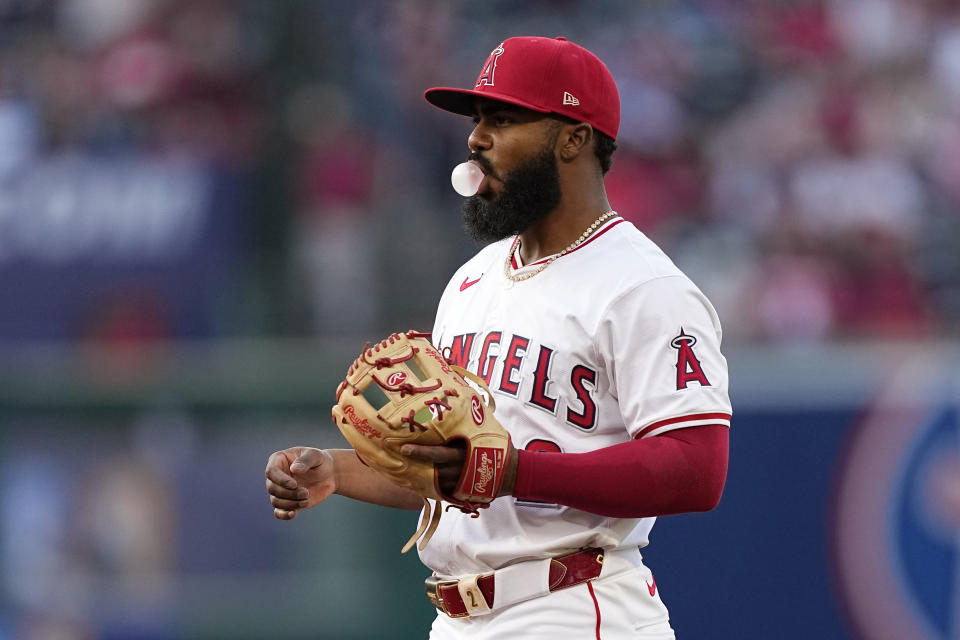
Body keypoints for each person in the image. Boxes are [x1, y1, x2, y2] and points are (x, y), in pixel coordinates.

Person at [265, 36, 731, 639]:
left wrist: (514, 473)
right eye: (478, 119)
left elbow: (696, 469)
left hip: (573, 605)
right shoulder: (473, 280)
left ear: (573, 138)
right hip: (459, 618)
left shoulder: (642, 286)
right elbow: (460, 475)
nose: (476, 138)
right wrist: (334, 470)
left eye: (504, 119)